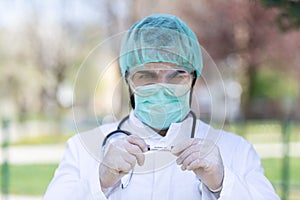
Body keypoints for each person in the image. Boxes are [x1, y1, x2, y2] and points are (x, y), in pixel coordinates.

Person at [43, 14, 279, 200]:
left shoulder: (235, 152)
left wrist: (222, 183)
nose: (161, 87)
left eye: (177, 75)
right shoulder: (83, 151)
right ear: (127, 79)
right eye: (146, 75)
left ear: (194, 79)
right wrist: (100, 181)